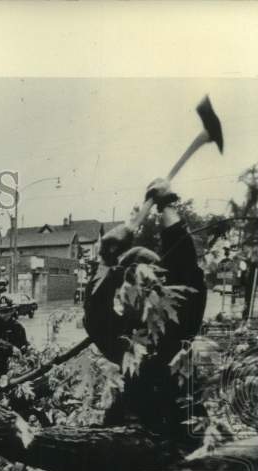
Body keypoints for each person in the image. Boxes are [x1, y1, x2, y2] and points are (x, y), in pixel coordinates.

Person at [84, 178, 206, 438]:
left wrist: (106, 260)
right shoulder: (131, 333)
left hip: (175, 427)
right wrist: (165, 205)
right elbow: (185, 267)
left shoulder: (171, 322)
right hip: (145, 431)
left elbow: (95, 310)